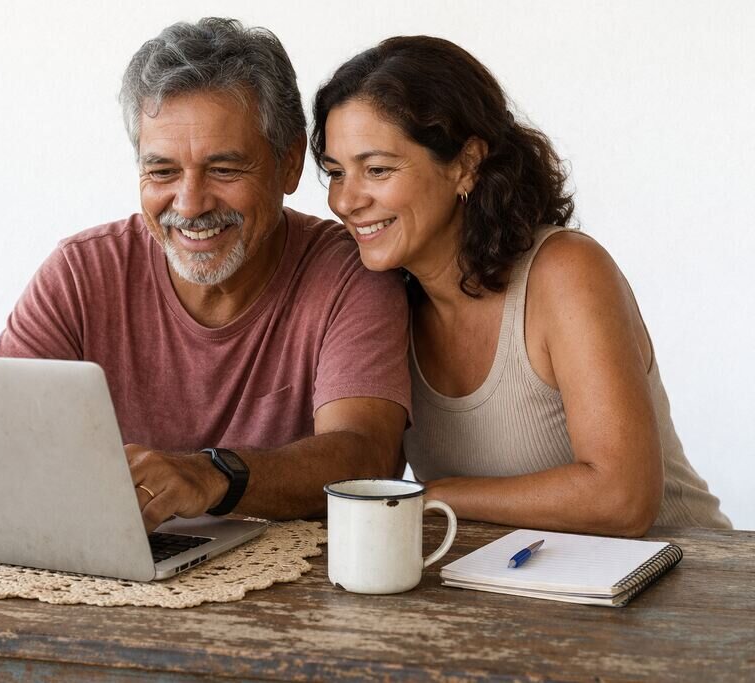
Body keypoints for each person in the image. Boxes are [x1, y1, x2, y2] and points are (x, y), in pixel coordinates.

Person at [0, 19, 412, 532]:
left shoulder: (350, 273)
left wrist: (213, 476)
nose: (190, 205)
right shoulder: (81, 272)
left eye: (224, 170)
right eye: (162, 172)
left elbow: (365, 458)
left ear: (290, 164)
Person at [310, 35, 730, 535]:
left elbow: (622, 498)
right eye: (336, 173)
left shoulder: (565, 272)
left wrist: (436, 496)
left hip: (685, 570)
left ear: (466, 164)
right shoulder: (379, 303)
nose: (346, 201)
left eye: (377, 169)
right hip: (516, 578)